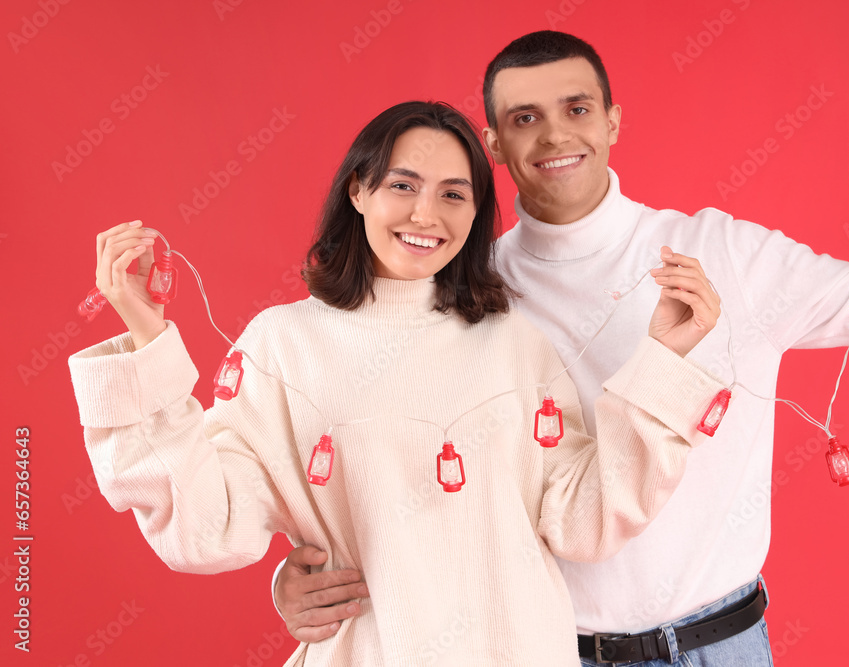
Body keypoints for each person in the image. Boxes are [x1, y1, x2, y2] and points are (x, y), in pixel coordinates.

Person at [273, 32, 849, 666]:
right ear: (493, 144)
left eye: (576, 108)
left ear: (612, 122)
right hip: (541, 646)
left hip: (722, 642)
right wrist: (300, 576)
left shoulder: (726, 254)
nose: (554, 134)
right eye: (524, 118)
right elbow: (387, 463)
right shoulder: (466, 291)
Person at [68, 100, 727, 666]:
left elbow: (585, 519)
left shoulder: (513, 343)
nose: (426, 214)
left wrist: (664, 360)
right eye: (403, 185)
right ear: (358, 190)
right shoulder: (282, 344)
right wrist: (148, 335)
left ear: (476, 214)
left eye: (453, 193)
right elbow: (209, 527)